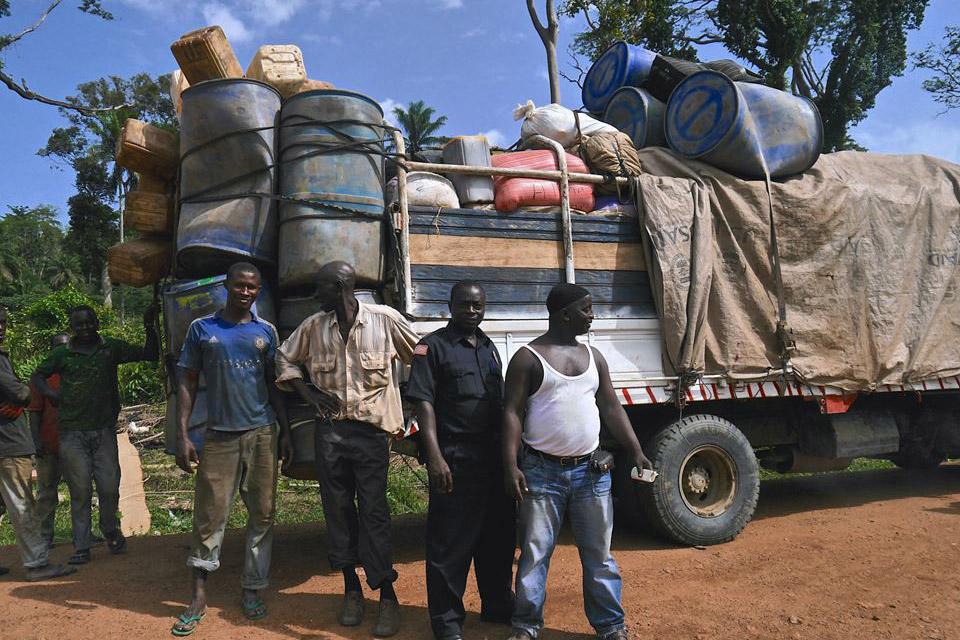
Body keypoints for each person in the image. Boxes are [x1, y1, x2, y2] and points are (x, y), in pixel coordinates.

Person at [501, 283, 654, 640]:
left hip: (591, 474)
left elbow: (611, 407)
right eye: (586, 309)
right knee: (535, 554)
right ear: (565, 314)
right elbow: (511, 413)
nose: (592, 316)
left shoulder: (594, 357)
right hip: (541, 473)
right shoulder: (527, 358)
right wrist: (511, 466)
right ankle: (525, 626)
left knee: (599, 556)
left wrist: (635, 449)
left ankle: (611, 627)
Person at [276, 261, 419, 638]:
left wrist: (414, 406)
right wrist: (309, 394)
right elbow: (284, 357)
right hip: (331, 433)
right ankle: (351, 590)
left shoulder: (384, 320)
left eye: (320, 288)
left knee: (374, 512)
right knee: (337, 511)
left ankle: (386, 595)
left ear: (339, 287)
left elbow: (419, 356)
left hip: (371, 435)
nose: (315, 295)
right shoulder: (314, 326)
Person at [171, 262, 290, 637]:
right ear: (226, 285)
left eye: (252, 287)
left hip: (262, 433)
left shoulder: (265, 331)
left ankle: (252, 589)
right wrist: (182, 434)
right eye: (239, 285)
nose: (245, 292)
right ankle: (198, 597)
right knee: (209, 517)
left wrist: (285, 431)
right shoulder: (202, 329)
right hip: (219, 437)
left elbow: (274, 383)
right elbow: (187, 381)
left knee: (263, 514)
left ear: (258, 291)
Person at [405, 281, 515, 640]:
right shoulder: (432, 347)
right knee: (450, 545)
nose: (472, 311)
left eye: (478, 305)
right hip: (455, 458)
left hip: (492, 458)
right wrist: (435, 456)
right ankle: (448, 623)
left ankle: (498, 606)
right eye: (465, 304)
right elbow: (423, 403)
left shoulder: (488, 347)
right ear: (450, 305)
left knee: (497, 539)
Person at [31, 303, 159, 565]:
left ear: (97, 323)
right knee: (80, 491)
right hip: (72, 433)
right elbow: (37, 376)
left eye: (89, 322)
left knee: (109, 487)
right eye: (79, 324)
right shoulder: (62, 354)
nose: (86, 328)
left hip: (103, 430)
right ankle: (81, 546)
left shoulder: (110, 348)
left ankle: (109, 528)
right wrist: (51, 393)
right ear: (72, 327)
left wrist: (148, 324)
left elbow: (150, 354)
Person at [0, 307, 75, 581]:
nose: (0, 327)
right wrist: (17, 395)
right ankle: (36, 563)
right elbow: (21, 394)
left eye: (3, 322)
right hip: (9, 444)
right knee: (22, 504)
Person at [27, 332, 71, 549]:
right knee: (46, 493)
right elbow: (34, 412)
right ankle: (43, 537)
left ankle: (83, 534)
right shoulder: (40, 378)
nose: (62, 350)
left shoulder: (76, 373)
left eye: (65, 346)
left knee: (80, 490)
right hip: (49, 445)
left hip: (75, 446)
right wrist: (36, 441)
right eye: (58, 347)